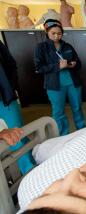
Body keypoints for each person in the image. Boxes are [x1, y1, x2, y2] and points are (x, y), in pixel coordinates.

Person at [34, 19, 85, 136]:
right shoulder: (41, 47)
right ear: (47, 32)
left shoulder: (67, 46)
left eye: (59, 33)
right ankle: (63, 136)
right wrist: (57, 66)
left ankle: (82, 132)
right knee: (58, 112)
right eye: (53, 33)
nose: (57, 36)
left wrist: (74, 64)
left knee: (77, 108)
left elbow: (79, 62)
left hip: (73, 83)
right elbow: (39, 68)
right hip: (54, 86)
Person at [0, 40, 35, 174]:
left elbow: (10, 64)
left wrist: (9, 86)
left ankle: (30, 172)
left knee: (17, 137)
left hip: (5, 98)